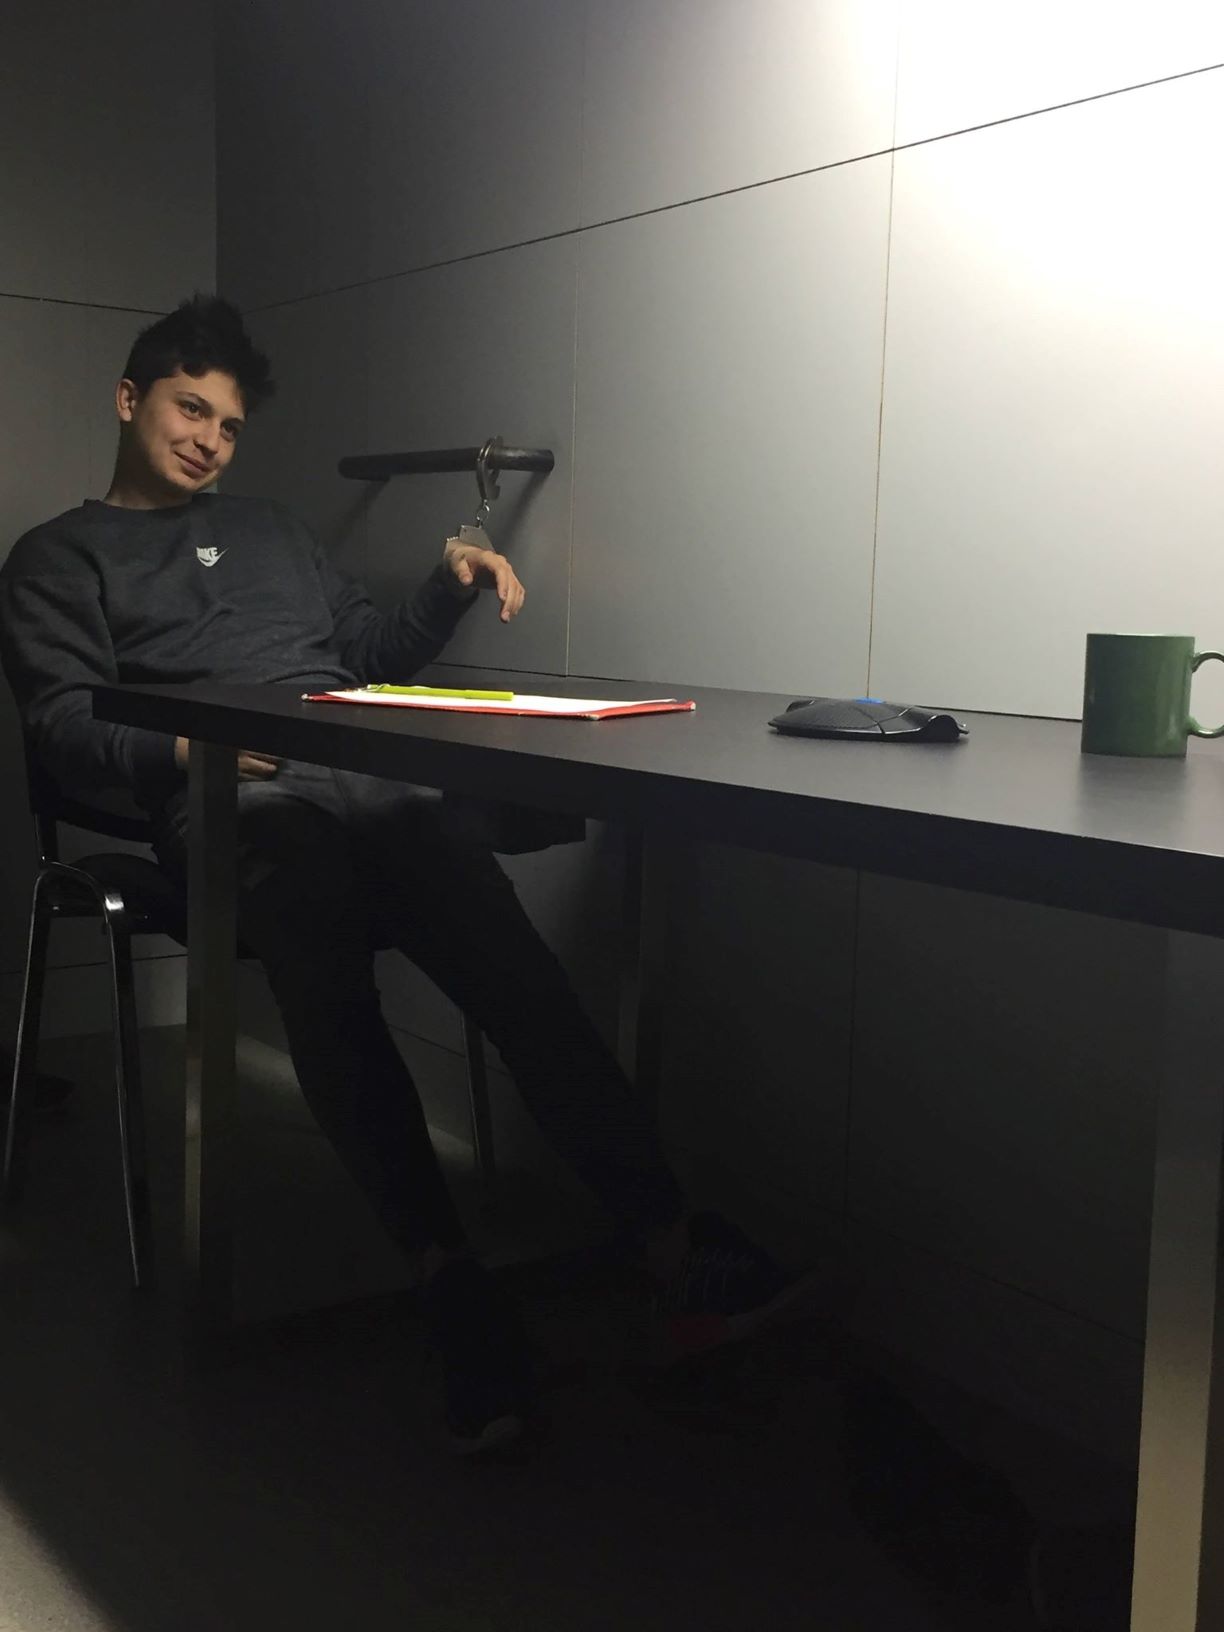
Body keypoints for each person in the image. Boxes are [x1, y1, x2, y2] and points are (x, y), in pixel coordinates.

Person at [0, 295, 789, 1454]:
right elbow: (63, 726)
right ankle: (447, 1278)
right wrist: (191, 750)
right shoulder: (58, 557)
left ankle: (673, 1248)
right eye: (188, 409)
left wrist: (447, 583)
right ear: (130, 400)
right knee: (317, 930)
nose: (208, 439)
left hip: (363, 784)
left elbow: (365, 657)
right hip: (230, 802)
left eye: (228, 424)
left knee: (501, 946)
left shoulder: (274, 531)